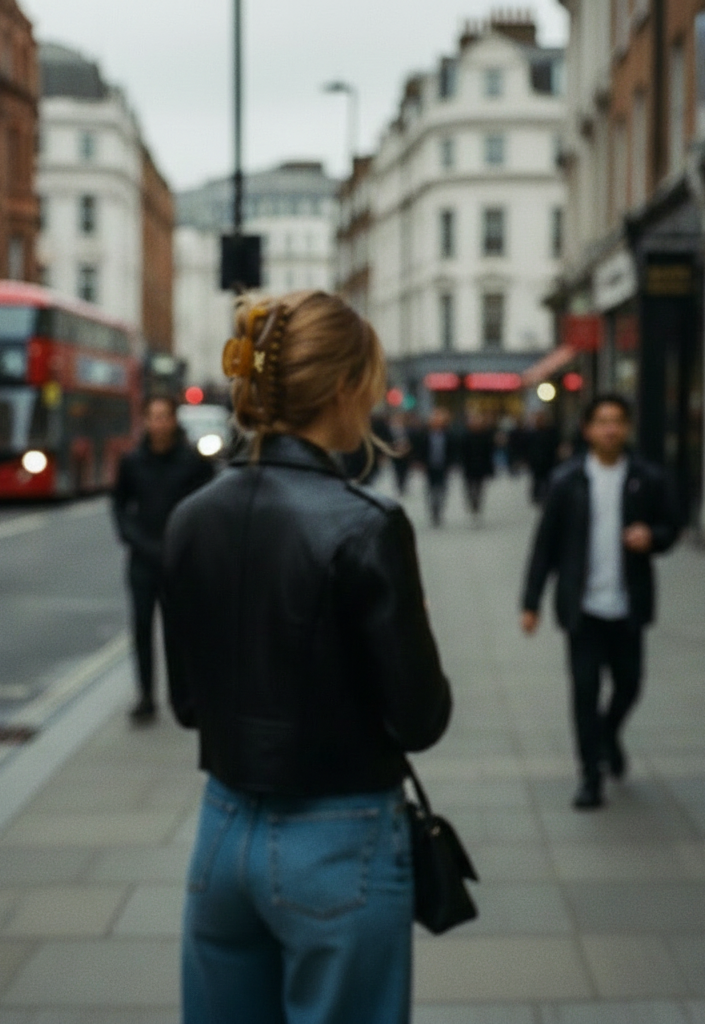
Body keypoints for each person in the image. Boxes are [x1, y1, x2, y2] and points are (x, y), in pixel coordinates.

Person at [162, 291, 452, 1024]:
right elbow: (420, 718)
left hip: (222, 832)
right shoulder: (368, 525)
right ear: (347, 388)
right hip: (339, 839)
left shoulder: (190, 518)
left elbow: (187, 703)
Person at [520, 394, 681, 809]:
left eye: (618, 421)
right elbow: (545, 546)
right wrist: (531, 601)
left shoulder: (647, 477)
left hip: (628, 606)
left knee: (629, 684)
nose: (610, 429)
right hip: (582, 608)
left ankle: (609, 734)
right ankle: (590, 775)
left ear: (627, 428)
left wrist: (653, 537)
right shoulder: (567, 480)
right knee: (585, 690)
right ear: (588, 429)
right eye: (602, 421)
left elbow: (672, 526)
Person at [111, 395, 213, 724]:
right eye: (152, 417)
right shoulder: (132, 462)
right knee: (141, 628)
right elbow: (120, 505)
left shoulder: (193, 462)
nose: (158, 423)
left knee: (176, 633)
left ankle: (180, 698)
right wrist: (134, 539)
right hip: (142, 560)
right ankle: (145, 696)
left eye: (163, 416)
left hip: (178, 562)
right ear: (145, 421)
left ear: (173, 421)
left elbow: (207, 508)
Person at [414, 406, 455, 527]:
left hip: (443, 466)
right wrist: (419, 462)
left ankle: (439, 508)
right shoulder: (424, 435)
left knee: (442, 489)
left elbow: (453, 451)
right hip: (429, 467)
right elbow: (419, 450)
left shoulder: (449, 435)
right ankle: (433, 509)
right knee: (431, 490)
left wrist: (452, 463)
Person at [460, 410, 495, 518]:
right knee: (470, 487)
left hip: (481, 467)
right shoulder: (466, 436)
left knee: (479, 487)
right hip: (469, 467)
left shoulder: (486, 436)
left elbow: (489, 453)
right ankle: (472, 501)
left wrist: (490, 468)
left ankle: (477, 503)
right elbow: (462, 453)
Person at [526, 410, 561, 504]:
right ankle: (537, 496)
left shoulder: (551, 432)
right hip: (536, 462)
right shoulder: (532, 433)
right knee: (537, 480)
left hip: (548, 461)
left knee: (547, 480)